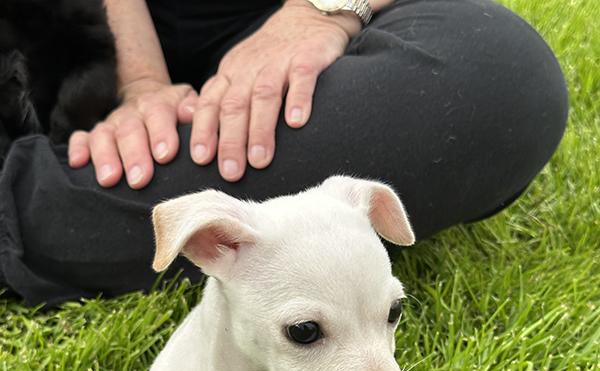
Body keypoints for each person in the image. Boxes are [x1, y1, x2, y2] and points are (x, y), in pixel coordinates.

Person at [0, 0, 568, 307]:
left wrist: (323, 12)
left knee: (499, 77)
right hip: (67, 30)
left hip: (326, 23)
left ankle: (46, 207)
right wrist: (140, 84)